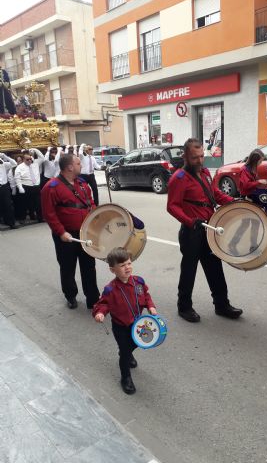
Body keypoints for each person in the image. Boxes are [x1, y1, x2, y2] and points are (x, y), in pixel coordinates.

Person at [167, 137, 243, 323]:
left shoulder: (206, 172)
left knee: (215, 269)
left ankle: (222, 305)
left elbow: (213, 194)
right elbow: (172, 206)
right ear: (185, 156)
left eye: (202, 156)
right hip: (192, 232)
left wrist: (232, 202)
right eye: (195, 158)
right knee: (189, 271)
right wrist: (190, 220)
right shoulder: (179, 178)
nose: (200, 161)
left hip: (209, 229)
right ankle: (184, 307)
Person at [92, 247, 157, 395]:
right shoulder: (110, 289)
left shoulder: (138, 282)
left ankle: (126, 352)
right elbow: (102, 304)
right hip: (121, 327)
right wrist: (100, 313)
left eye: (128, 263)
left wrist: (151, 306)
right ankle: (125, 377)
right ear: (112, 270)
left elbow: (146, 295)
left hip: (138, 324)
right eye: (122, 265)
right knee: (125, 352)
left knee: (136, 343)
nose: (127, 267)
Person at [41, 153, 100, 310]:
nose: (81, 165)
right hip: (66, 236)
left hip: (85, 233)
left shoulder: (82, 184)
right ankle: (70, 295)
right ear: (70, 167)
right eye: (79, 163)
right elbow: (49, 214)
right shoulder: (51, 187)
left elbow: (90, 203)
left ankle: (93, 299)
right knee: (67, 268)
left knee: (89, 266)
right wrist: (61, 232)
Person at [228, 149, 267, 254]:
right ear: (255, 160)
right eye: (260, 161)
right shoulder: (244, 170)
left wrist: (258, 183)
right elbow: (245, 185)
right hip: (247, 199)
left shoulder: (253, 169)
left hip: (253, 199)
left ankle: (253, 246)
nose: (261, 163)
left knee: (255, 223)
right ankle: (232, 244)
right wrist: (258, 182)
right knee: (245, 224)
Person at [14, 148, 44, 223]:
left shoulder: (35, 164)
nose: (30, 161)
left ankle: (40, 218)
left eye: (30, 159)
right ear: (23, 160)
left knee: (38, 203)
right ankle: (22, 218)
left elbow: (42, 157)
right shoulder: (20, 167)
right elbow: (17, 178)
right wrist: (20, 187)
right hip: (26, 187)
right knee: (24, 204)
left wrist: (35, 149)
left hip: (36, 186)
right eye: (27, 159)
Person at [0, 152, 17, 228]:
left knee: (8, 205)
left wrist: (5, 156)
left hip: (4, 187)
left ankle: (11, 223)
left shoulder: (3, 163)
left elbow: (14, 164)